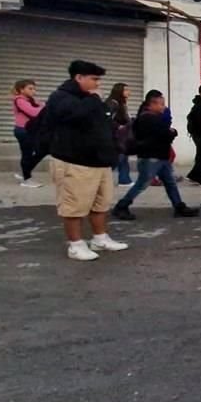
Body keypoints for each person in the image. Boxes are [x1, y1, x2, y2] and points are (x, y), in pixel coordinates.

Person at [47, 60, 129, 261]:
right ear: (79, 77)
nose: (97, 84)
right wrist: (93, 100)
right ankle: (75, 245)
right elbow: (75, 117)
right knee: (74, 206)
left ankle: (99, 238)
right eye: (94, 79)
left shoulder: (90, 98)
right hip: (75, 162)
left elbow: (102, 124)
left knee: (100, 204)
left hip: (99, 161)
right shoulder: (62, 97)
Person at [112, 90, 199, 220]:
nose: (163, 107)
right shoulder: (149, 118)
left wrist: (169, 132)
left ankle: (179, 206)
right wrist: (173, 132)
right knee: (142, 184)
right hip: (151, 157)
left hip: (160, 157)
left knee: (170, 183)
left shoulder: (149, 117)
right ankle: (121, 206)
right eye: (161, 104)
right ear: (151, 104)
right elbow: (164, 135)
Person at [12, 79, 47, 188]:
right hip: (23, 131)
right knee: (27, 154)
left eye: (34, 88)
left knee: (42, 150)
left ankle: (24, 172)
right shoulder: (19, 100)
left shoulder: (30, 100)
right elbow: (34, 112)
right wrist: (43, 107)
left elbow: (44, 105)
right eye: (30, 88)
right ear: (21, 90)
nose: (33, 91)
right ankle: (26, 180)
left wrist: (43, 106)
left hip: (31, 131)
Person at [106, 82, 133, 187]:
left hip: (121, 136)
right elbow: (106, 118)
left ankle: (124, 180)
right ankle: (98, 177)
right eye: (126, 90)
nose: (129, 92)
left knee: (122, 157)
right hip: (114, 136)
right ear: (119, 91)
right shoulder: (113, 103)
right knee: (118, 158)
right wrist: (118, 126)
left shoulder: (121, 103)